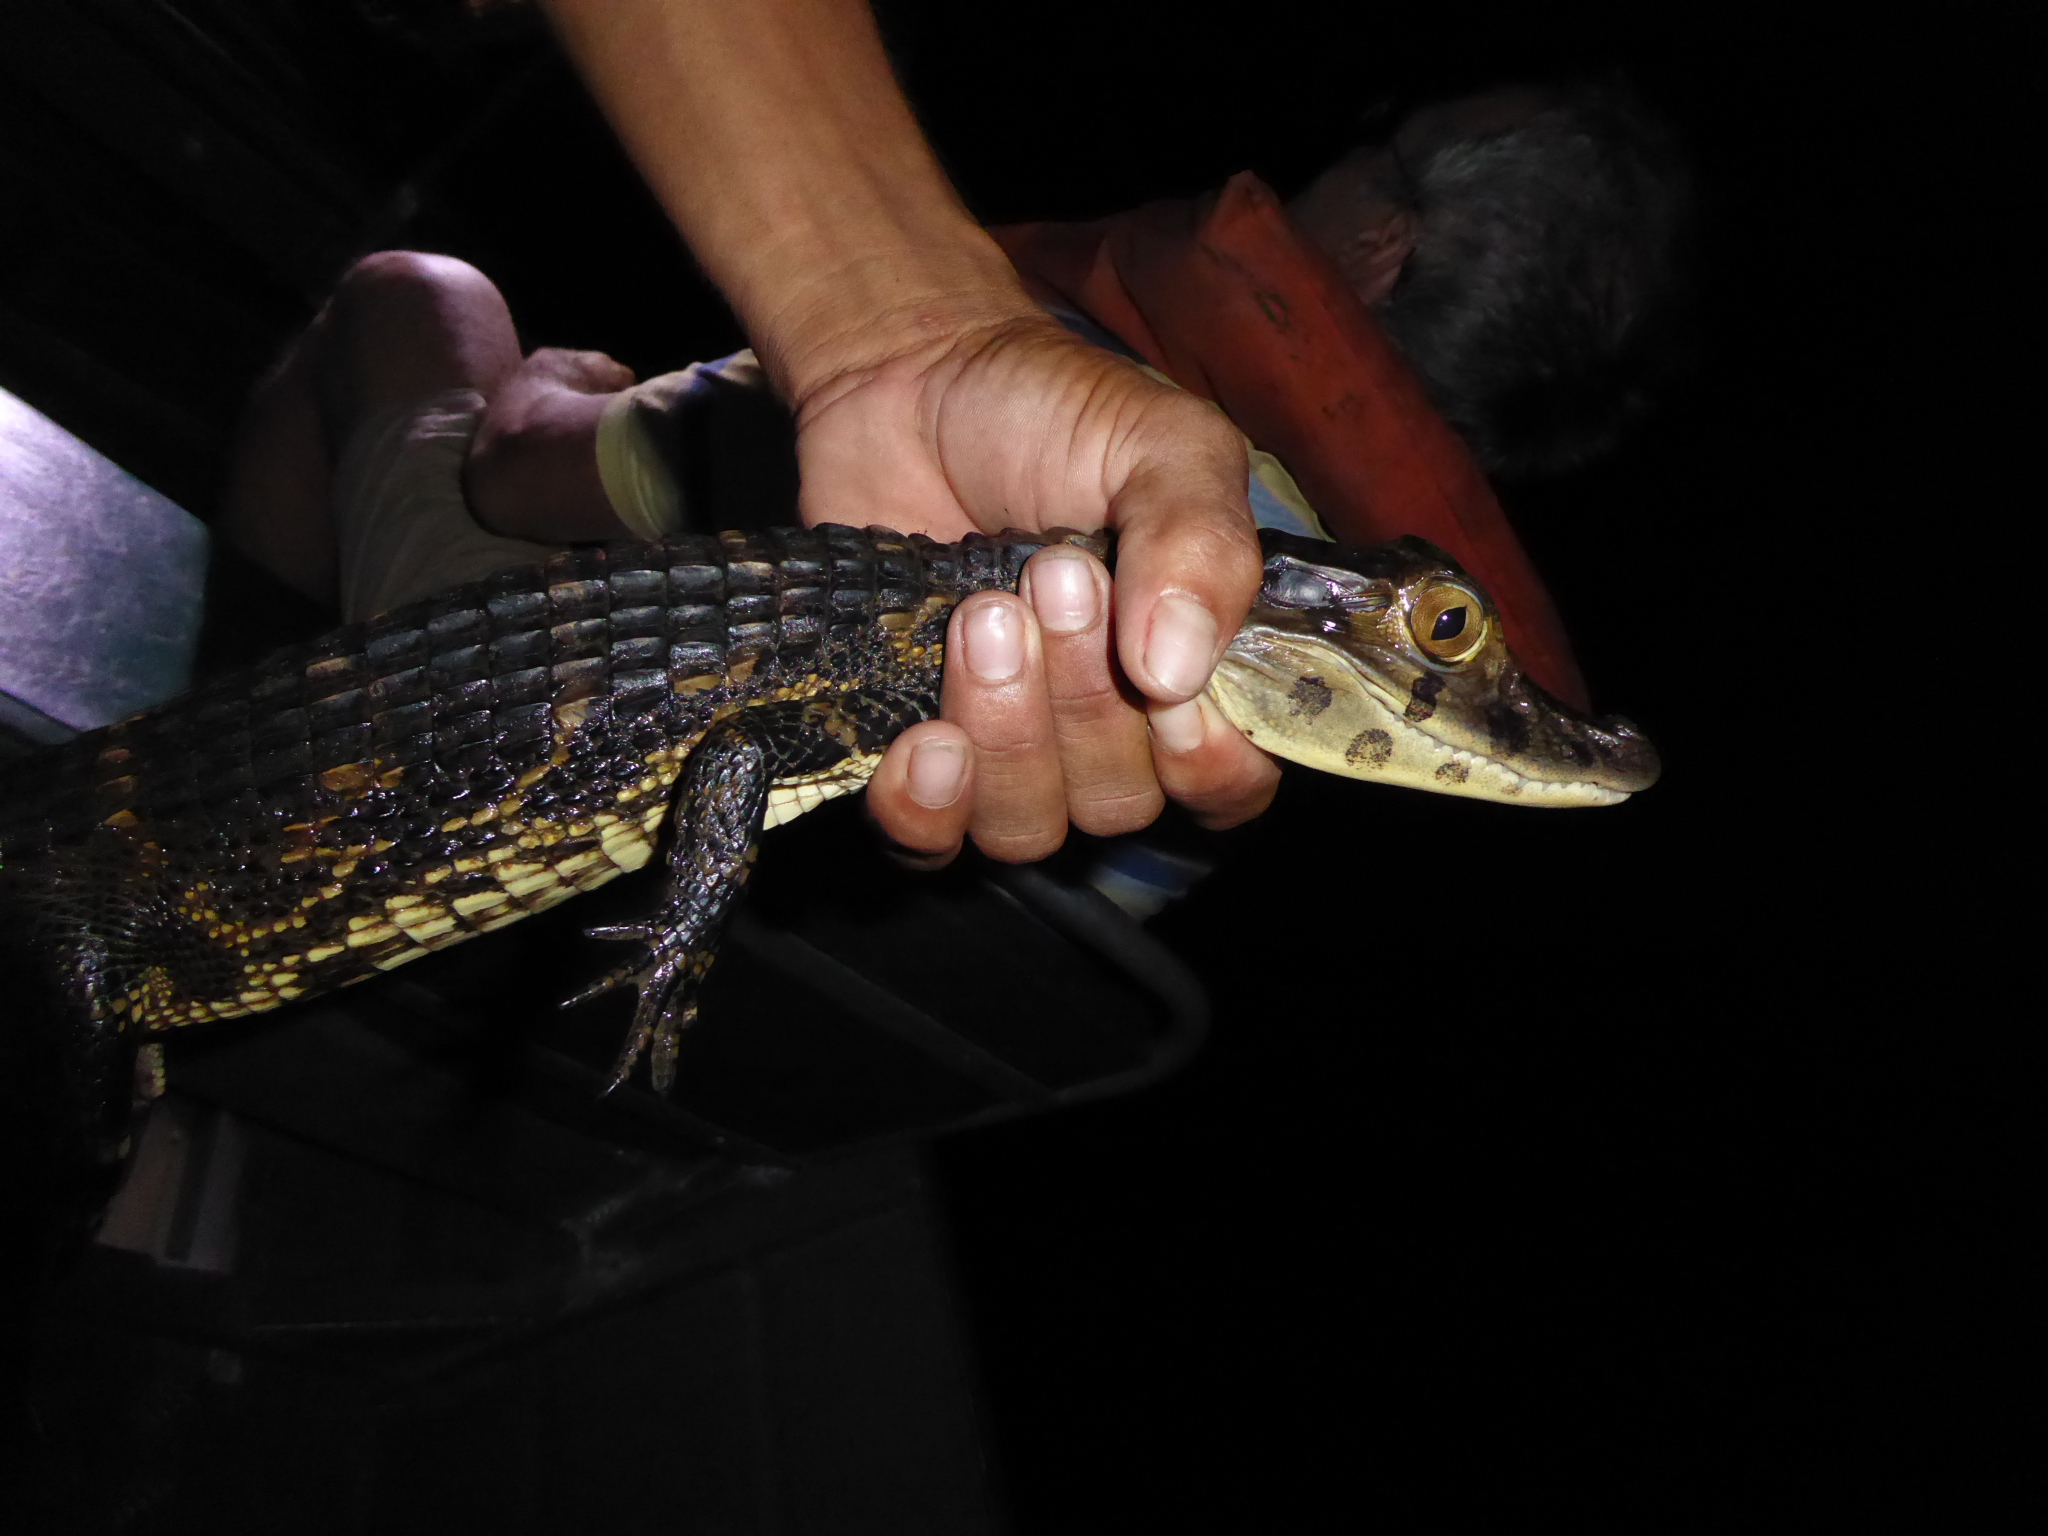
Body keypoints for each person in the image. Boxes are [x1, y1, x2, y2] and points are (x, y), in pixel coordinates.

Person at [222, 2, 1688, 867]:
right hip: (805, 960)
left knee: (412, 296)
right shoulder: (1305, 662)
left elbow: (514, 472)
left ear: (1378, 241)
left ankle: (236, 652)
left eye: (1386, 141)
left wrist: (558, 382)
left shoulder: (1082, 382)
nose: (1348, 146)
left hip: (495, 741)